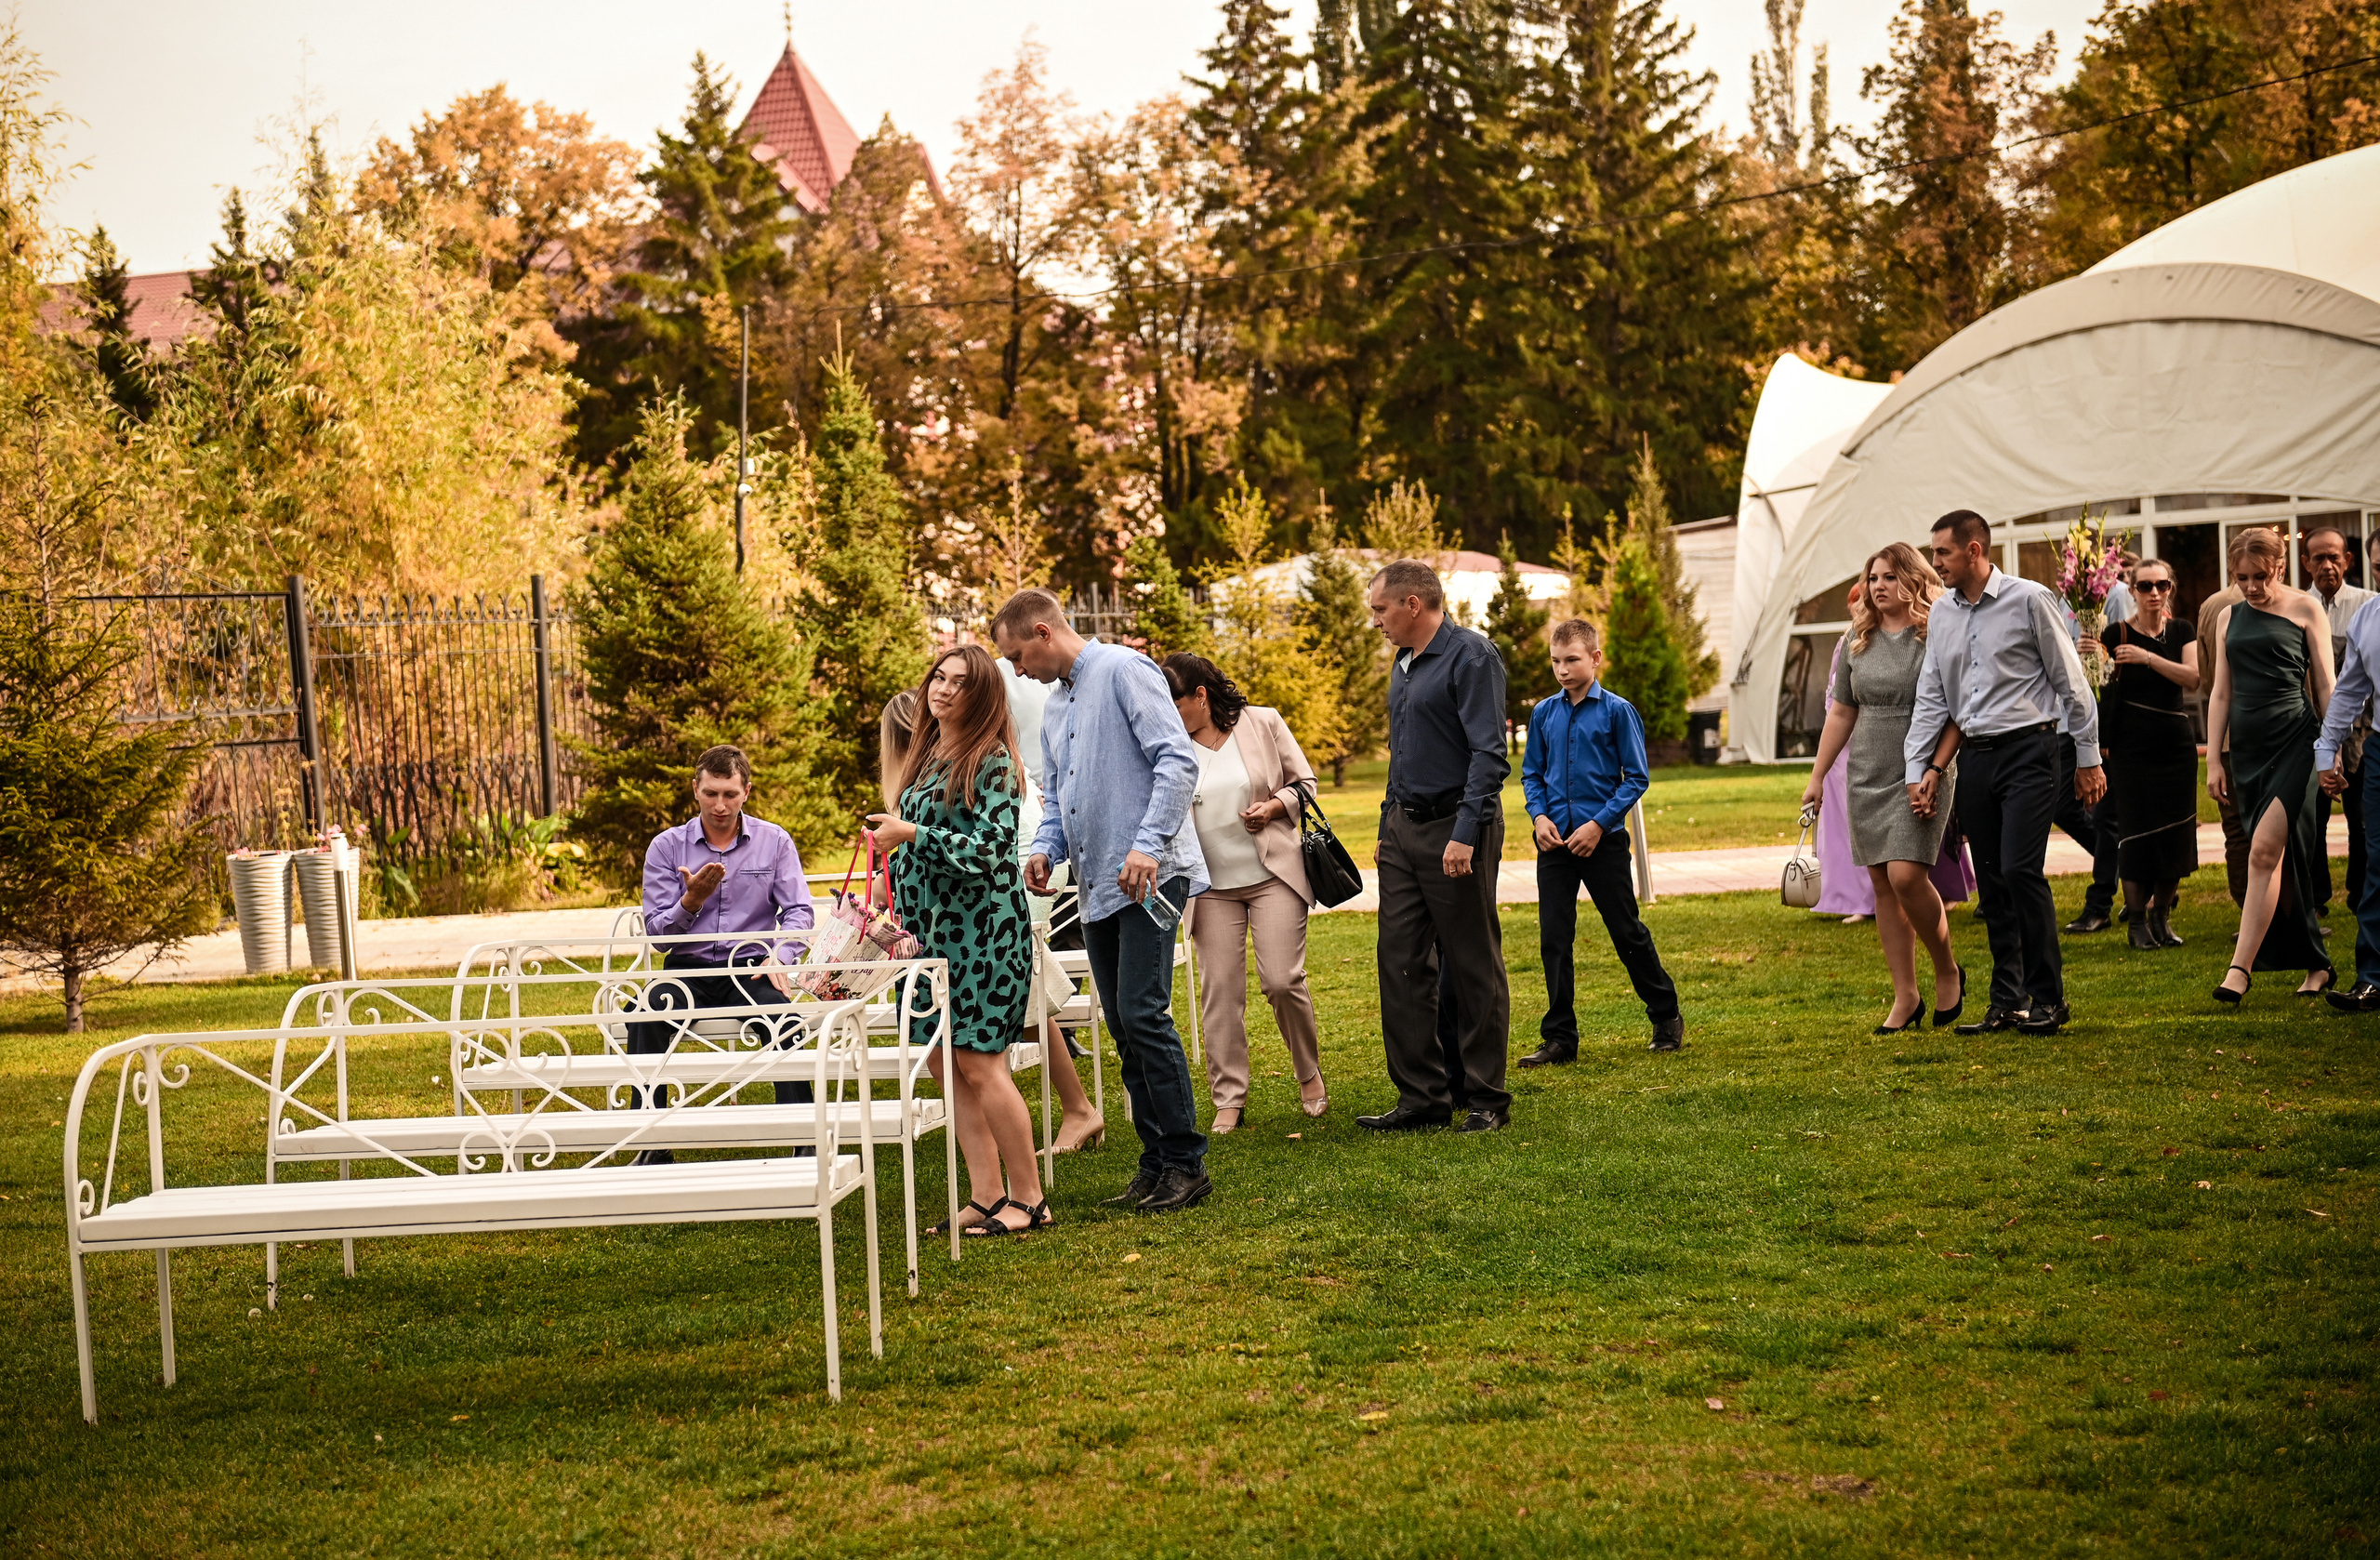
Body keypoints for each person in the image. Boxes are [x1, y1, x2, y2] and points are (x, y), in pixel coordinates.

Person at [996, 588, 1214, 1215]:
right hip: (1097, 887)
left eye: (1017, 655)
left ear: (1043, 632)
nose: (1016, 670)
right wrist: (1045, 848)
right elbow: (1059, 794)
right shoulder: (1057, 705)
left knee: (1145, 1015)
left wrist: (1148, 844)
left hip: (1150, 875)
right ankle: (1155, 1163)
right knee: (1120, 1023)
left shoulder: (1124, 669)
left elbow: (1176, 762)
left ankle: (1185, 1163)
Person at [866, 645, 1055, 1236]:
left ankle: (1029, 1198)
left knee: (980, 1062)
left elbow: (993, 852)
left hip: (984, 938)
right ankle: (985, 1193)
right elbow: (920, 845)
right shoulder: (926, 756)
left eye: (960, 682)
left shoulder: (993, 761)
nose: (943, 690)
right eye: (938, 678)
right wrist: (886, 867)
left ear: (982, 696)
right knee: (944, 1066)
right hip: (926, 941)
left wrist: (912, 832)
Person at [883, 684, 1105, 1154]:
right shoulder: (929, 773)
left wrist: (1025, 912)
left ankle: (1065, 1129)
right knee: (999, 1031)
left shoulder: (989, 762)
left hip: (1000, 911)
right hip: (949, 924)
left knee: (995, 1041)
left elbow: (998, 843)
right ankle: (1002, 1177)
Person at [1907, 509, 2104, 1037]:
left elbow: (2072, 684)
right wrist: (1921, 766)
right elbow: (1932, 696)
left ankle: (2049, 999)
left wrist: (2088, 758)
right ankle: (2007, 1002)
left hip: (2031, 751)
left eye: (1942, 553)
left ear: (1975, 550)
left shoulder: (2029, 599)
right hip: (1975, 757)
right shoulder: (1943, 613)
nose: (1935, 563)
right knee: (1992, 883)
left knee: (2020, 870)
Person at [1360, 559, 1516, 1132]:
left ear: (1413, 605)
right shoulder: (1402, 663)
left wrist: (1464, 834)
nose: (1375, 621)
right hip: (1404, 828)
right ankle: (1422, 1098)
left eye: (1380, 609)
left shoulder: (1473, 656)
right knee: (1399, 961)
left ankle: (1484, 1099)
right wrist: (1386, 828)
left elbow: (1489, 754)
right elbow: (1403, 753)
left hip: (1458, 827)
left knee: (1472, 963)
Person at [1799, 543, 1967, 1033]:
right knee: (1881, 884)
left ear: (1912, 580)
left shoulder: (1936, 630)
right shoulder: (1858, 635)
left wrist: (1937, 767)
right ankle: (1905, 996)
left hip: (1923, 767)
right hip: (1867, 768)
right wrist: (1816, 776)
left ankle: (1947, 970)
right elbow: (1842, 710)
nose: (1879, 586)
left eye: (1890, 577)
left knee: (1906, 876)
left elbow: (1959, 709)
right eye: (1873, 578)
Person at [1162, 653, 1330, 1130]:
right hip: (1209, 887)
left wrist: (1275, 807)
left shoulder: (1262, 723)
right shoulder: (1168, 742)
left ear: (1201, 696)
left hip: (1272, 875)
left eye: (1175, 704)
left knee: (1282, 981)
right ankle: (1229, 1097)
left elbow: (1306, 784)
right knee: (1220, 993)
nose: (1168, 715)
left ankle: (1309, 1073)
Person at [628, 745, 816, 1165]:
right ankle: (651, 1140)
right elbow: (658, 935)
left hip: (750, 968)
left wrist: (780, 956)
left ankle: (804, 1136)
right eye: (711, 793)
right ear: (695, 789)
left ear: (746, 791)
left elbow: (800, 910)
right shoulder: (666, 847)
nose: (720, 804)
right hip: (686, 970)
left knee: (784, 1019)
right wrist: (690, 901)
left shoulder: (775, 841)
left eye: (730, 794)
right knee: (643, 1011)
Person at [1519, 618, 1685, 1062]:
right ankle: (1559, 1039)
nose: (1563, 670)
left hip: (1603, 842)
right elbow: (1532, 773)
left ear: (1595, 658)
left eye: (1572, 660)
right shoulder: (1543, 714)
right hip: (1553, 846)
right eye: (1555, 661)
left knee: (1626, 931)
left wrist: (1598, 824)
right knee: (1554, 938)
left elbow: (1636, 779)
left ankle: (1666, 1014)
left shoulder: (1617, 711)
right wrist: (1538, 818)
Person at [2206, 526, 2335, 1002]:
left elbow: (2326, 686)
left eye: (2260, 576)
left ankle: (2239, 969)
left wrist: (2332, 748)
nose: (2252, 587)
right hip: (2248, 751)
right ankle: (2317, 963)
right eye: (2242, 578)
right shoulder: (2228, 618)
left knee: (2263, 851)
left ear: (2279, 567)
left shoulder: (2306, 608)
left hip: (2297, 743)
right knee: (2288, 859)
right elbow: (2221, 691)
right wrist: (2214, 758)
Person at [2079, 558, 2200, 950]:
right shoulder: (2115, 632)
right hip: (2131, 747)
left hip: (2175, 745)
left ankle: (2161, 917)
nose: (2153, 593)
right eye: (2145, 586)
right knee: (2134, 834)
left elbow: (2194, 679)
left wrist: (2147, 657)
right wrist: (2091, 656)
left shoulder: (2182, 629)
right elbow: (2095, 687)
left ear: (2170, 588)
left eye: (2161, 585)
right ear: (2131, 590)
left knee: (2175, 832)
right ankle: (2135, 922)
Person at [2318, 562, 2380, 1011]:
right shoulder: (2367, 617)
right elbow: (2349, 691)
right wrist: (2327, 750)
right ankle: (2372, 977)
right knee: (2378, 863)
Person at [2305, 525, 2374, 910]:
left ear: (2348, 560)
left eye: (2335, 557)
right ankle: (2316, 896)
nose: (2328, 565)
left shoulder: (2369, 605)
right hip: (2312, 729)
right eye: (2319, 558)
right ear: (2306, 563)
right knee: (2313, 819)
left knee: (2361, 819)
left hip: (2363, 731)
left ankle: (2361, 892)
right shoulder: (2298, 607)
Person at [1813, 586, 1878, 923]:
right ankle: (1847, 895)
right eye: (1852, 606)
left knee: (1863, 822)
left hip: (1868, 740)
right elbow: (1833, 694)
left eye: (1860, 605)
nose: (1856, 612)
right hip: (1840, 746)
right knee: (1839, 825)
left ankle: (1869, 899)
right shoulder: (1845, 641)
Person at [2196, 576, 2252, 906]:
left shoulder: (2211, 605)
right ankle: (2290, 911)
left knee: (2236, 831)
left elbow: (2206, 679)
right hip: (2268, 734)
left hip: (2227, 734)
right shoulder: (2289, 602)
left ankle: (2247, 907)